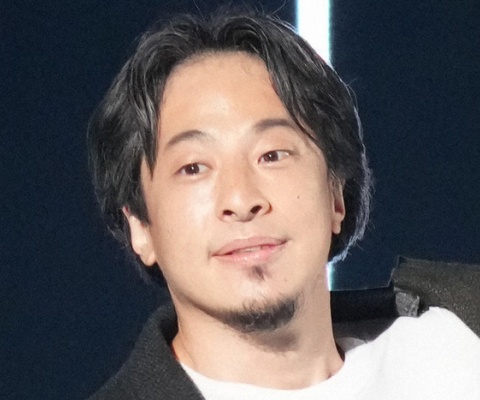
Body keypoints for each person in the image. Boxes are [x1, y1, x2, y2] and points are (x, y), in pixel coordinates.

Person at [87, 9, 480, 400]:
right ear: (140, 226)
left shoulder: (458, 337)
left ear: (336, 194)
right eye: (193, 168)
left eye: (272, 155)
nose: (241, 200)